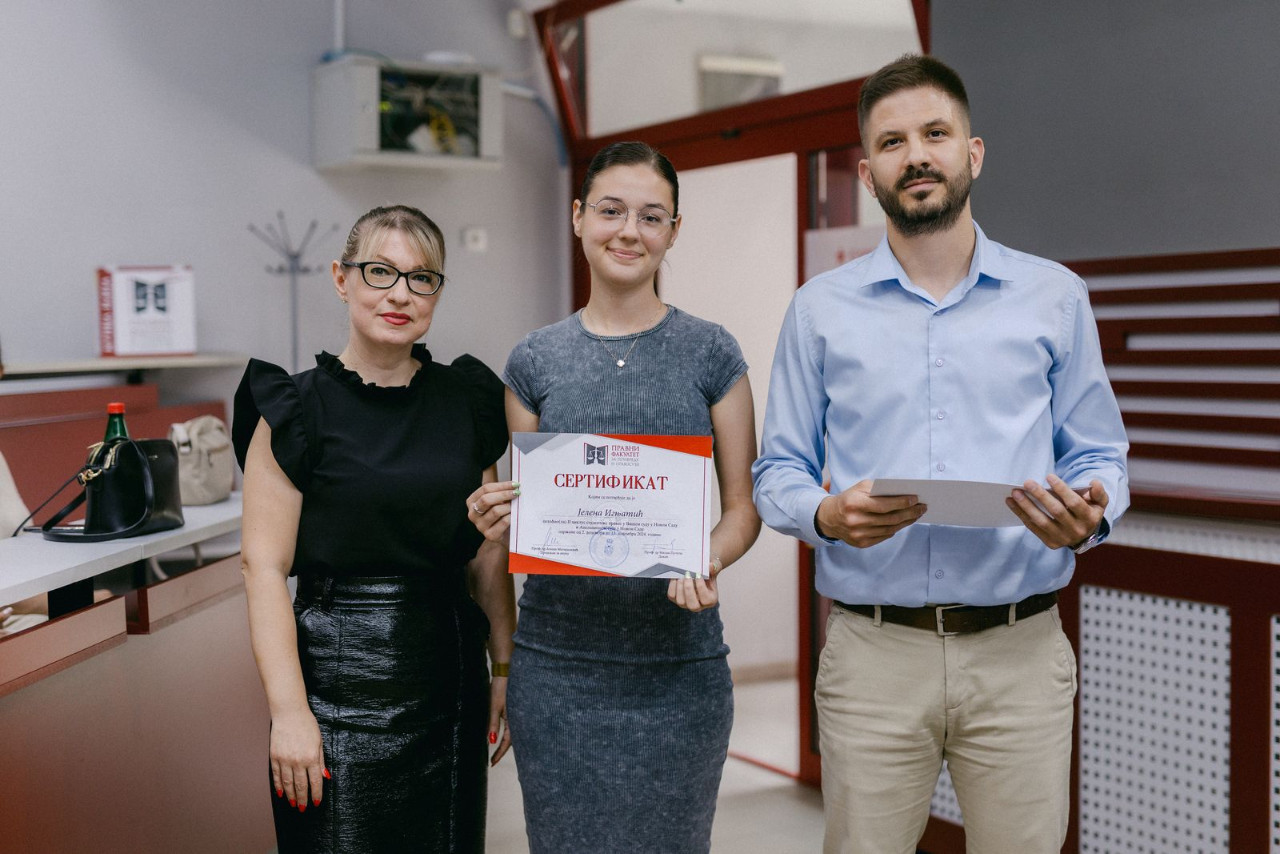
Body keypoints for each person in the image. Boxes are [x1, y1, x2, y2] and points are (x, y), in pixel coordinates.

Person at [752, 55, 1129, 853]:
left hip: (1021, 653)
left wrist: (1089, 514)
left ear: (973, 153)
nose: (916, 155)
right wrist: (827, 514)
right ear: (867, 173)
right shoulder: (819, 310)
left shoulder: (1055, 296)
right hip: (873, 655)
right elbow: (777, 470)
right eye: (892, 142)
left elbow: (1099, 451)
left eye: (935, 134)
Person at [466, 141, 761, 854]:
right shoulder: (534, 360)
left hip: (680, 672)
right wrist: (493, 518)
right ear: (578, 217)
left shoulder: (712, 353)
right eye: (611, 211)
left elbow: (743, 511)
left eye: (651, 216)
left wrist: (706, 558)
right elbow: (523, 514)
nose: (630, 231)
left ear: (673, 231)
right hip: (557, 670)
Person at [231, 204, 515, 853]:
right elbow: (262, 569)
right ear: (341, 278)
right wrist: (289, 713)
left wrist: (504, 664)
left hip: (448, 678)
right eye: (380, 271)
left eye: (422, 278)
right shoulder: (294, 409)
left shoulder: (468, 402)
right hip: (336, 683)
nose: (400, 294)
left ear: (437, 291)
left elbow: (485, 556)